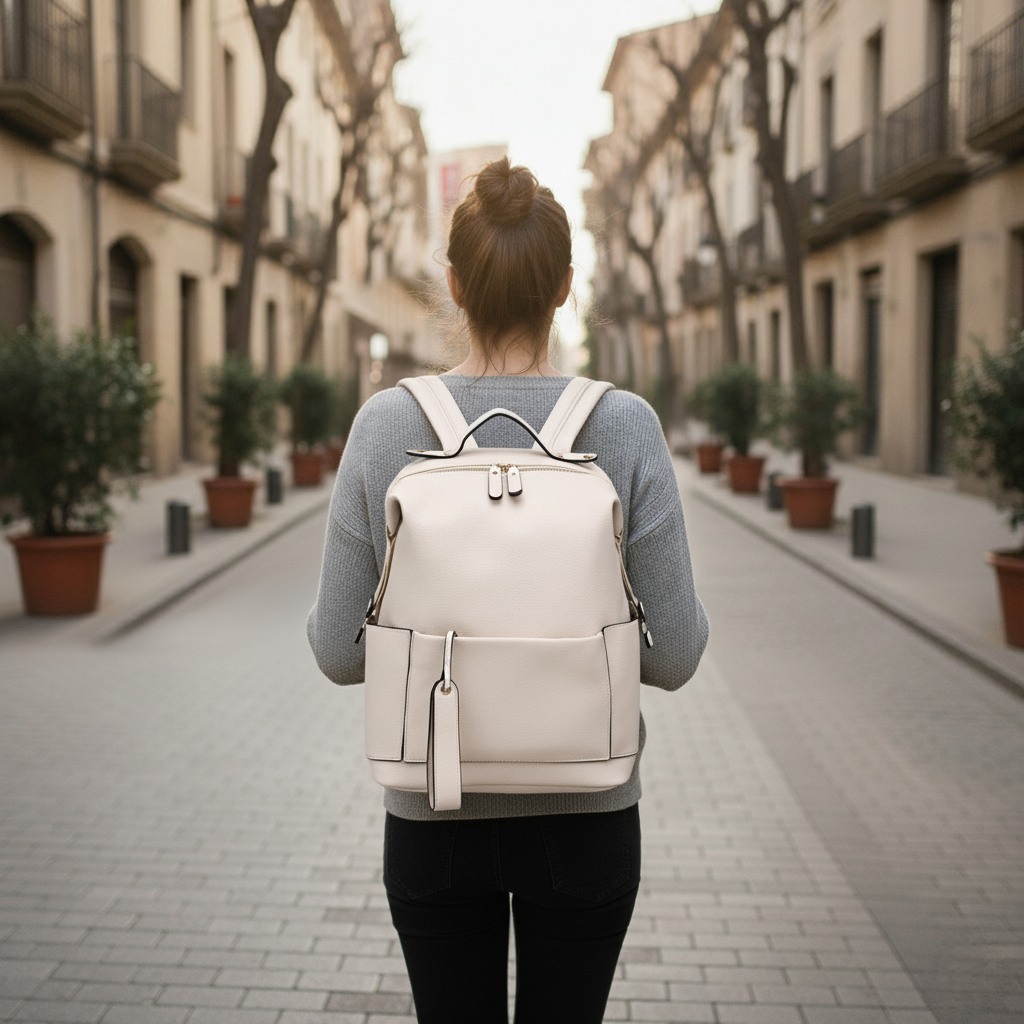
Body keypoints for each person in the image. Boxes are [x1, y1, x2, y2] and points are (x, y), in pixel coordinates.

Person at [307, 157, 709, 1024]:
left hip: (432, 812)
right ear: (564, 287)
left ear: (454, 285)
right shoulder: (626, 426)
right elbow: (676, 656)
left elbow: (338, 651)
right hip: (589, 817)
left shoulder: (386, 425)